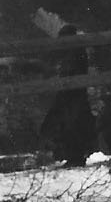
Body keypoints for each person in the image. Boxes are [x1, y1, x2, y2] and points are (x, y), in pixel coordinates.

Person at [39, 23, 99, 162]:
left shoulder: (74, 50)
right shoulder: (77, 49)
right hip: (74, 93)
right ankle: (71, 154)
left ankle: (71, 155)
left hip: (71, 93)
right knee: (70, 122)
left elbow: (70, 70)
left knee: (67, 122)